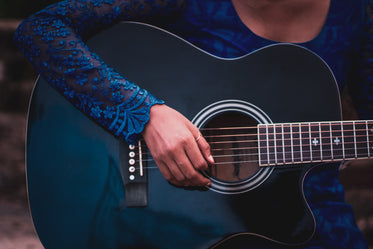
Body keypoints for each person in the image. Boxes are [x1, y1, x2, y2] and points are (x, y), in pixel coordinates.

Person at [14, 0, 371, 248]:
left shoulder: (356, 13)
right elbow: (42, 30)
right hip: (184, 227)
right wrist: (146, 115)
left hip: (308, 223)